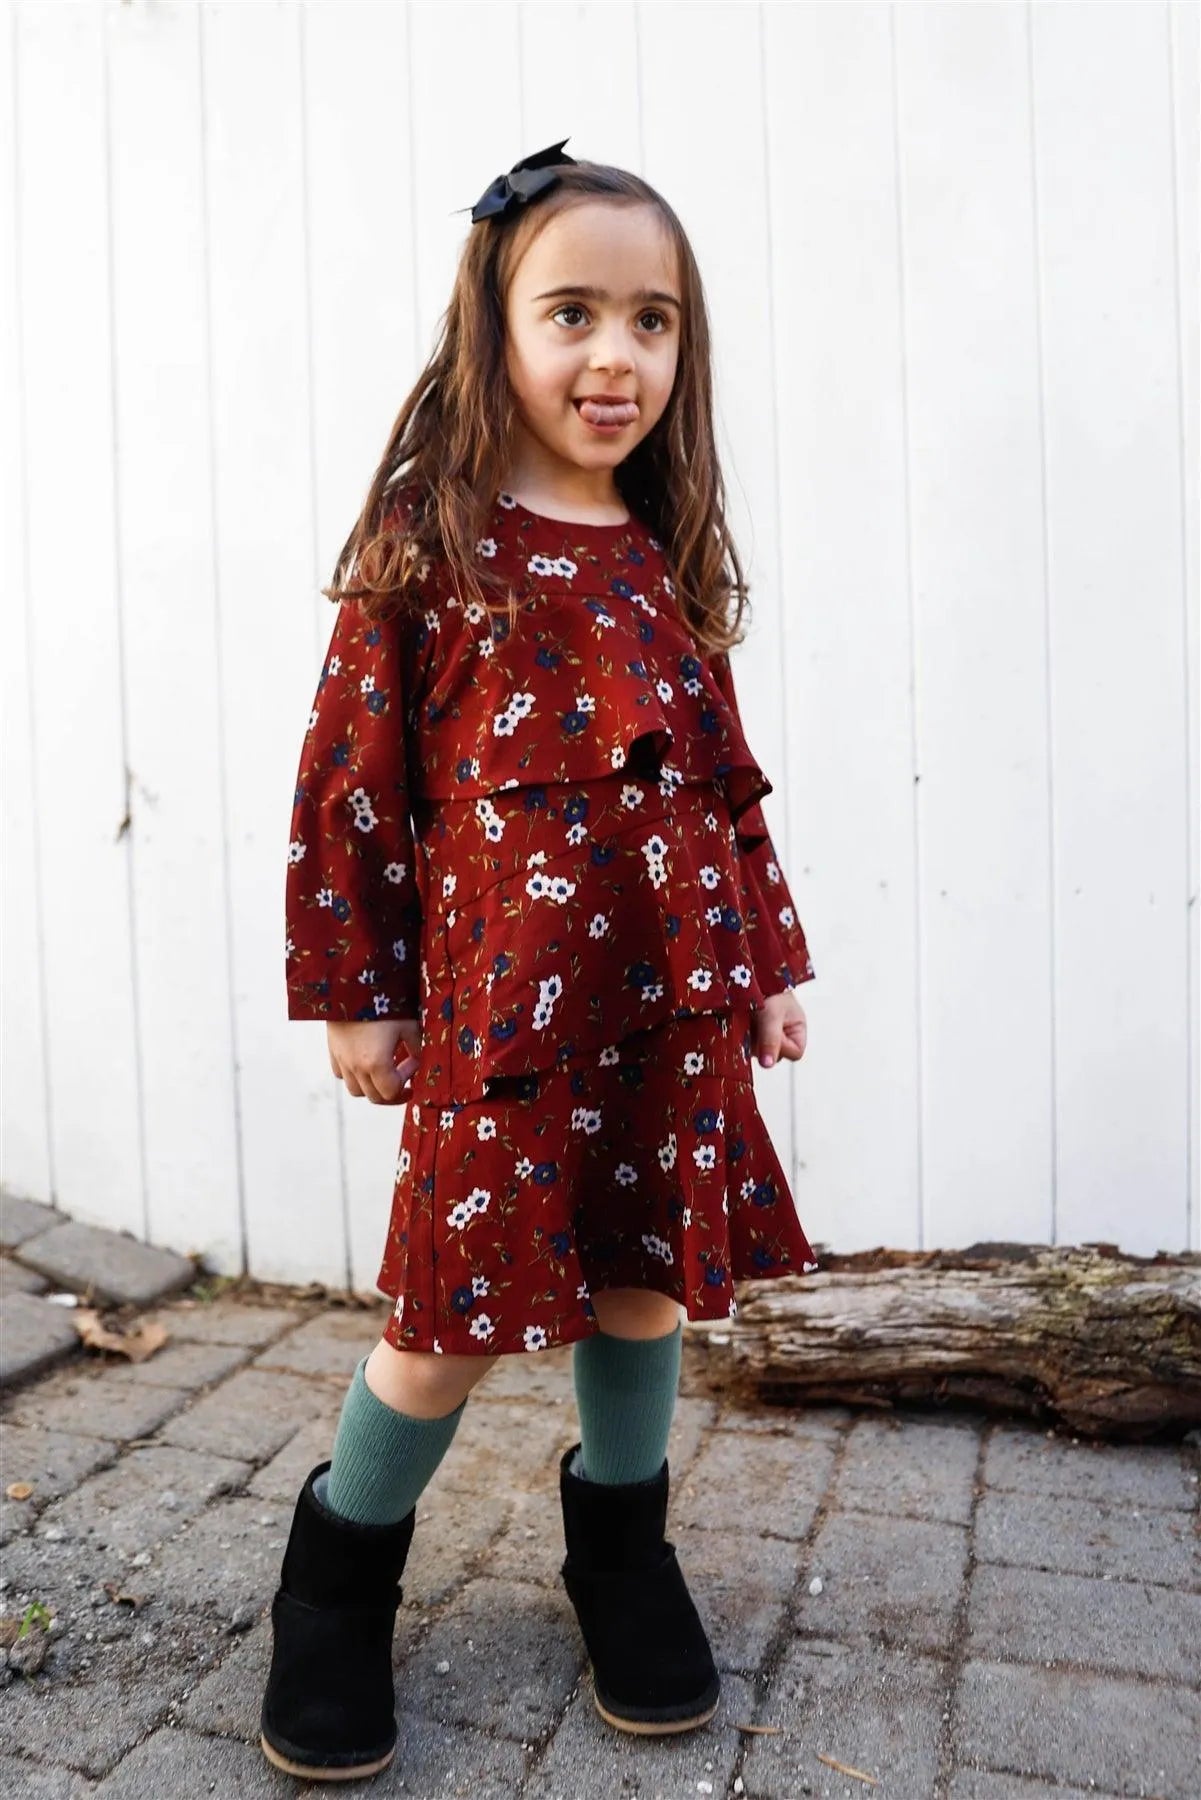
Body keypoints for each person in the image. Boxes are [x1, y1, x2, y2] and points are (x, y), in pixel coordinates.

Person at [261, 139, 820, 1783]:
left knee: (640, 1291)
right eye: (571, 312)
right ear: (492, 327)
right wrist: (355, 989)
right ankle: (335, 1583)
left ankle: (620, 1555)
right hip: (504, 1022)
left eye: (651, 320)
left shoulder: (657, 549)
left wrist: (768, 957)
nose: (614, 356)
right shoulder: (431, 545)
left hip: (671, 1007)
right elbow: (347, 783)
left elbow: (721, 781)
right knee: (440, 1324)